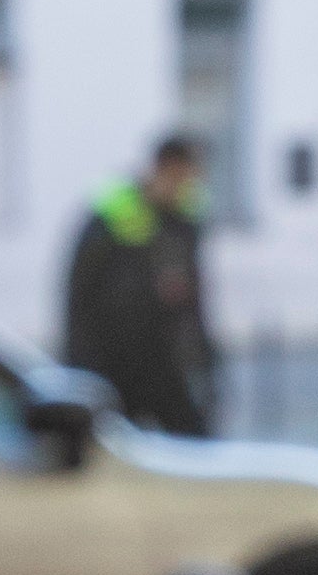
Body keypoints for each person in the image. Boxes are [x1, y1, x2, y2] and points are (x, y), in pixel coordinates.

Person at [59, 130, 222, 438]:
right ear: (167, 168)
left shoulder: (186, 217)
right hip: (114, 364)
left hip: (167, 364)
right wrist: (82, 368)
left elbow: (194, 297)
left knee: (194, 448)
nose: (190, 186)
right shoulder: (113, 212)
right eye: (186, 176)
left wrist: (207, 361)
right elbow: (81, 296)